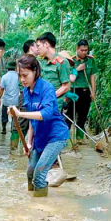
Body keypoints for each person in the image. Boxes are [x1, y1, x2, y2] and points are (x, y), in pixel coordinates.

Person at [9, 55, 70, 197]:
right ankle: (32, 200)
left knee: (39, 173)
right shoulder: (26, 90)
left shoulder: (47, 88)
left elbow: (46, 114)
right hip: (39, 138)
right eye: (20, 76)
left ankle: (41, 209)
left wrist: (20, 114)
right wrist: (29, 143)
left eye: (25, 75)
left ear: (35, 71)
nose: (22, 80)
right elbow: (33, 119)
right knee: (30, 172)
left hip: (55, 137)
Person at [69, 39, 99, 142]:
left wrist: (93, 92)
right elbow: (67, 76)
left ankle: (79, 138)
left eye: (86, 50)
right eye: (82, 50)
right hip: (74, 91)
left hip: (86, 91)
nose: (84, 52)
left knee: (83, 115)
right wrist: (77, 69)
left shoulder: (90, 60)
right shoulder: (71, 61)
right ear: (77, 49)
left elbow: (92, 76)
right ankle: (63, 138)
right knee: (70, 115)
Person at [35, 32, 71, 111]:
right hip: (41, 104)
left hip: (54, 106)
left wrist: (49, 97)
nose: (37, 49)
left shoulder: (62, 62)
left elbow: (65, 87)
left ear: (46, 44)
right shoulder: (43, 62)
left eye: (38, 46)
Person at [0, 61, 19, 135]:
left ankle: (4, 128)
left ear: (8, 68)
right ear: (15, 68)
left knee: (4, 115)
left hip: (7, 100)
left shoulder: (4, 77)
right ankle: (14, 128)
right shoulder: (18, 76)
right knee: (15, 115)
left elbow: (1, 89)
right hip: (16, 100)